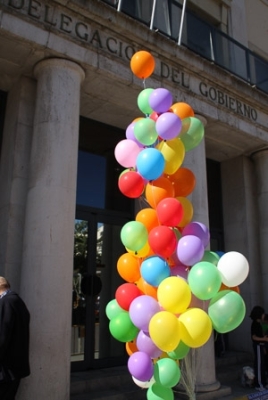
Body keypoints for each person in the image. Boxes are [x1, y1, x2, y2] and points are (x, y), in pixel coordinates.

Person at [0, 277, 30, 400]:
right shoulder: (18, 301)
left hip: (6, 370)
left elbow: (2, 335)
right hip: (16, 368)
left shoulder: (5, 302)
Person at [250, 305, 268, 391]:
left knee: (262, 365)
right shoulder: (255, 324)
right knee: (259, 365)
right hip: (258, 345)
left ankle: (263, 383)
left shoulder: (259, 324)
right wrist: (263, 339)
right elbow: (254, 337)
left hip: (261, 346)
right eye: (262, 313)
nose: (264, 315)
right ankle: (259, 384)